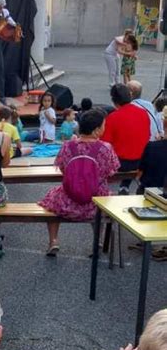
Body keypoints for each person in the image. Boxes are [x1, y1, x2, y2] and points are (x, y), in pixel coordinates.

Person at [39, 109, 119, 256]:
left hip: (68, 200)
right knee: (105, 198)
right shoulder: (105, 148)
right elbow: (111, 172)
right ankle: (98, 241)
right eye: (103, 125)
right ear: (96, 130)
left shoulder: (67, 146)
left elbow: (63, 170)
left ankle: (53, 241)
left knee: (49, 201)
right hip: (95, 202)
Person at [103, 83, 150, 194]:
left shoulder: (112, 117)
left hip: (121, 163)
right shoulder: (143, 113)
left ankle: (102, 189)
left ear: (114, 101)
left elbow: (105, 144)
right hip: (142, 160)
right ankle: (125, 186)